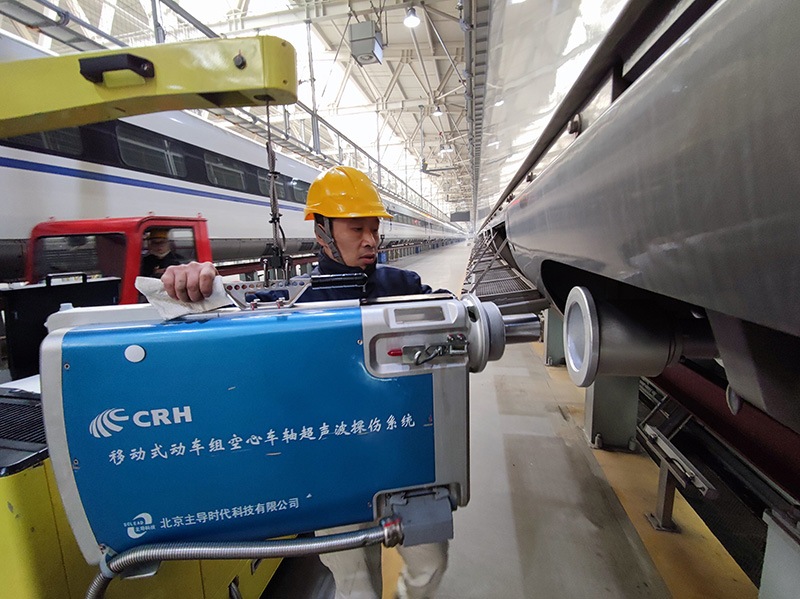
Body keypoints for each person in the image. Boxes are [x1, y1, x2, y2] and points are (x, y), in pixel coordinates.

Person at [162, 166, 449, 598]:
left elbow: (450, 325)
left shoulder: (403, 287)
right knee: (355, 582)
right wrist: (188, 288)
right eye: (357, 228)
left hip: (401, 452)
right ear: (322, 233)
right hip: (332, 460)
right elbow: (222, 321)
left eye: (374, 228)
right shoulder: (292, 301)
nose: (371, 239)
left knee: (431, 564)